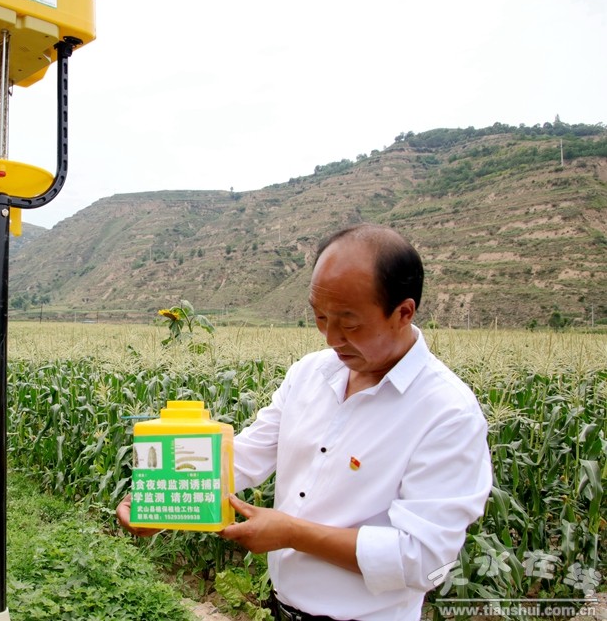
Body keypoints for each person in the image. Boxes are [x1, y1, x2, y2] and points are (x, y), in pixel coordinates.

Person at [117, 224, 493, 621]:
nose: (331, 338)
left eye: (350, 324)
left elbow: (422, 559)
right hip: (282, 608)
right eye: (320, 317)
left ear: (403, 312)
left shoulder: (447, 412)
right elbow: (244, 456)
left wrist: (293, 533)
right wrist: (161, 500)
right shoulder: (309, 374)